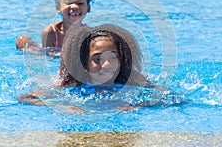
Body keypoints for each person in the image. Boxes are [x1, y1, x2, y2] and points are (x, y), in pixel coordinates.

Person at [18, 24, 167, 112]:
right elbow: (25, 98)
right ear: (83, 64)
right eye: (97, 59)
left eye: (113, 57)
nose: (107, 65)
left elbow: (171, 97)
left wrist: (139, 105)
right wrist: (62, 107)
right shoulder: (73, 84)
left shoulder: (132, 79)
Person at [15, 0, 99, 54]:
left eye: (80, 3)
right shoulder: (51, 33)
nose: (74, 6)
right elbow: (47, 58)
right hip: (51, 53)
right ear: (58, 8)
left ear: (88, 8)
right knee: (22, 40)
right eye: (68, 2)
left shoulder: (88, 35)